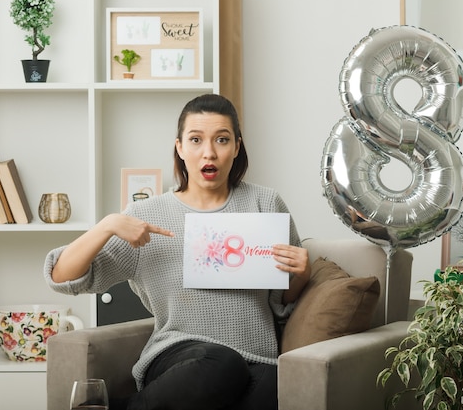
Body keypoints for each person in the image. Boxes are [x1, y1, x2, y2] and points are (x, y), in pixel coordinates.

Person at [43, 94, 311, 410]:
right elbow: (62, 276)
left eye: (222, 140)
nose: (209, 153)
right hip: (181, 356)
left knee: (276, 388)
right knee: (223, 363)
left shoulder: (265, 203)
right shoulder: (147, 215)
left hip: (258, 359)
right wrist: (108, 225)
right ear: (180, 148)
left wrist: (302, 274)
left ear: (236, 147)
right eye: (196, 140)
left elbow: (280, 303)